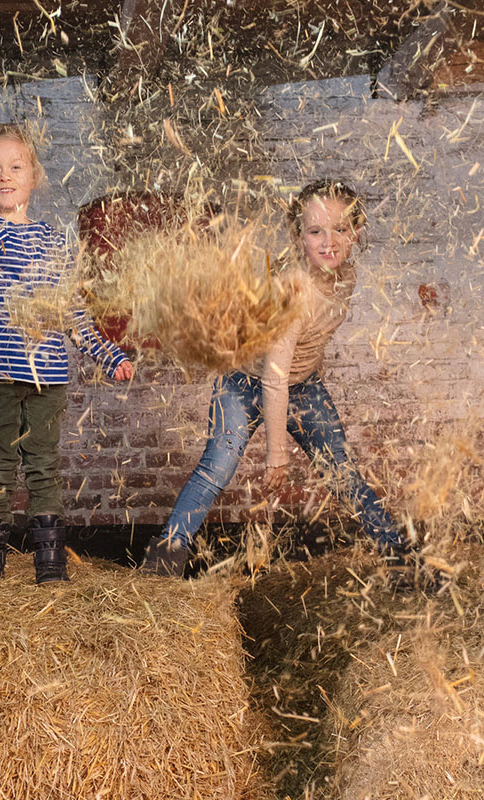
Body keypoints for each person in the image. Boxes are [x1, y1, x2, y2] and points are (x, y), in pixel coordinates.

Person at [140, 179, 410, 578]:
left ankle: (404, 560)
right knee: (216, 468)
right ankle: (162, 563)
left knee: (343, 473)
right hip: (246, 382)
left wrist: (313, 373)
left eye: (340, 229)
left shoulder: (346, 277)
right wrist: (276, 455)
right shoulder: (294, 290)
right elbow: (273, 376)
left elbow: (313, 337)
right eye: (315, 231)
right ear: (299, 237)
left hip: (302, 386)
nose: (329, 242)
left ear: (356, 232)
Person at [0, 123, 134, 584]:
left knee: (43, 468)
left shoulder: (53, 240)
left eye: (16, 167)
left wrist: (109, 356)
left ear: (33, 176)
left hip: (48, 378)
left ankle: (51, 567)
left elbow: (72, 312)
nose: (5, 176)